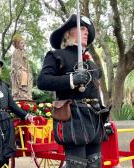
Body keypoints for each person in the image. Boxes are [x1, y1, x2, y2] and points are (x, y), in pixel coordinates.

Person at [38, 14, 105, 167]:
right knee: (77, 165)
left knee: (95, 164)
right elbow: (42, 81)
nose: (86, 31)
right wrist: (71, 80)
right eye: (81, 28)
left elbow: (96, 90)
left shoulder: (91, 63)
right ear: (68, 33)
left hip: (95, 116)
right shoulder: (57, 56)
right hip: (73, 117)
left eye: (86, 29)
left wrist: (104, 118)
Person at [11, 34, 33, 101]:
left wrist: (25, 59)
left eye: (24, 43)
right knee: (22, 73)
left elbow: (26, 64)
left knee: (30, 75)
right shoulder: (15, 52)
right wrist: (21, 67)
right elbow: (14, 62)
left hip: (23, 70)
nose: (23, 44)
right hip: (16, 70)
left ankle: (27, 94)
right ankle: (20, 93)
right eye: (22, 43)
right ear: (17, 44)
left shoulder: (24, 53)